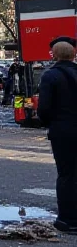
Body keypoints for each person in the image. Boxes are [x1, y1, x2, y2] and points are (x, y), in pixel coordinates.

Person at [37, 39, 77, 234]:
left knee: (66, 174)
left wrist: (49, 123)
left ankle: (67, 219)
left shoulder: (51, 75)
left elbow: (44, 107)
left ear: (54, 55)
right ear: (73, 55)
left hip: (63, 129)